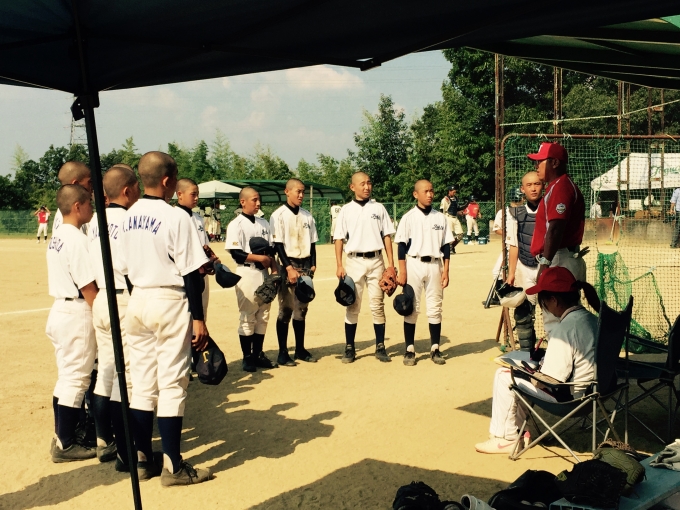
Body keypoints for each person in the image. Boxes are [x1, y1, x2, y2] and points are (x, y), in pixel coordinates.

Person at [120, 151, 212, 486]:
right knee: (172, 384)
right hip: (169, 299)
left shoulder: (128, 215)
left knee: (143, 384)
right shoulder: (176, 216)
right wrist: (199, 319)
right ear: (167, 180)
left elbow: (125, 269)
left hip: (138, 299)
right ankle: (173, 467)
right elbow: (191, 272)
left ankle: (142, 459)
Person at [474, 266, 601, 454]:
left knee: (504, 374)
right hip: (596, 392)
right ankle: (520, 431)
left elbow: (550, 380)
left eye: (544, 301)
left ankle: (506, 439)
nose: (543, 308)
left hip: (572, 400)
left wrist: (527, 372)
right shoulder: (591, 319)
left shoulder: (565, 328)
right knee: (518, 375)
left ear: (553, 300)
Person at [88, 164, 140, 467]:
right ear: (127, 190)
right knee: (128, 377)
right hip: (122, 298)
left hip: (102, 298)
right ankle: (126, 451)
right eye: (136, 187)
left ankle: (104, 440)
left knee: (106, 371)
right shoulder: (129, 220)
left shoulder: (96, 220)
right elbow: (133, 268)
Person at [46, 184, 98, 462]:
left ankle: (62, 436)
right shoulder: (77, 239)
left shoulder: (58, 235)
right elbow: (88, 287)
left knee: (67, 377)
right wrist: (103, 317)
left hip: (60, 309)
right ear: (77, 206)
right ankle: (66, 443)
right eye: (88, 203)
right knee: (77, 379)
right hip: (76, 311)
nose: (92, 207)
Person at [334, 171, 396, 363]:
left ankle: (380, 346)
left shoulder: (378, 208)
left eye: (369, 183)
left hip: (376, 260)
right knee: (352, 304)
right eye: (362, 183)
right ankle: (349, 347)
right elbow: (338, 238)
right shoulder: (346, 210)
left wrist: (391, 264)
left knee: (377, 304)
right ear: (352, 187)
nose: (367, 186)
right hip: (354, 261)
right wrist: (339, 265)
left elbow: (387, 236)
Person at [528, 142, 586, 339]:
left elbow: (556, 229)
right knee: (567, 316)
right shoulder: (557, 186)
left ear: (554, 163)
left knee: (555, 317)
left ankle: (562, 357)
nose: (536, 166)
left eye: (540, 161)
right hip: (562, 256)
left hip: (558, 258)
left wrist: (545, 262)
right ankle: (573, 355)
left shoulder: (561, 187)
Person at [395, 180, 453, 366]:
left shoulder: (440, 218)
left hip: (435, 265)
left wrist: (446, 270)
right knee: (411, 307)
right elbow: (401, 246)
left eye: (431, 191)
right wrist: (402, 272)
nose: (430, 194)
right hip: (414, 263)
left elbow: (446, 246)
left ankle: (435, 348)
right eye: (425, 191)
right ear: (416, 194)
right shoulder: (408, 217)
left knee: (435, 307)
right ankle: (409, 349)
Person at [225, 187, 279, 372]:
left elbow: (271, 251)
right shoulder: (236, 224)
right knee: (248, 315)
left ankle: (258, 354)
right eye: (254, 200)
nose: (258, 203)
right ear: (243, 202)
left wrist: (274, 271)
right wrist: (260, 258)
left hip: (264, 273)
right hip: (247, 272)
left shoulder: (264, 223)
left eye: (259, 200)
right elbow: (236, 253)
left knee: (263, 315)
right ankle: (247, 357)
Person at [270, 179, 318, 366]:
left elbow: (312, 242)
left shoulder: (307, 216)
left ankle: (300, 349)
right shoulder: (278, 215)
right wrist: (288, 267)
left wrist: (313, 264)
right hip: (288, 264)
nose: (301, 195)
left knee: (302, 308)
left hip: (305, 263)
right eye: (298, 191)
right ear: (287, 192)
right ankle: (283, 353)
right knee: (286, 308)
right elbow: (278, 244)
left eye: (303, 192)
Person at [506, 172, 544, 351]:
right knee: (523, 313)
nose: (533, 188)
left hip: (547, 267)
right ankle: (526, 354)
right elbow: (514, 244)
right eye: (529, 185)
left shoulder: (550, 209)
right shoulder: (515, 213)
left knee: (553, 313)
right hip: (524, 266)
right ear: (522, 189)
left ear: (543, 186)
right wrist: (511, 273)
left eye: (537, 184)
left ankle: (556, 355)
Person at [176, 178, 216, 322]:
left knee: (202, 315)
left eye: (197, 194)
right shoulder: (175, 216)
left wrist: (211, 260)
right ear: (180, 194)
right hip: (186, 275)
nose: (196, 198)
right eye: (193, 194)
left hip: (202, 273)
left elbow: (204, 246)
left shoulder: (198, 218)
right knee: (186, 318)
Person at [488, 188, 523, 306]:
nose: (522, 199)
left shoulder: (525, 210)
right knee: (497, 271)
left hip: (523, 247)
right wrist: (510, 234)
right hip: (509, 247)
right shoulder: (504, 212)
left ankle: (507, 296)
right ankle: (500, 297)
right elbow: (497, 229)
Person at [51, 161, 93, 234]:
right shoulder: (73, 216)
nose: (92, 186)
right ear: (76, 184)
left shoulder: (65, 212)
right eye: (89, 182)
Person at [439, 185, 465, 254]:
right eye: (453, 192)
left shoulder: (455, 198)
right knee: (450, 234)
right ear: (449, 191)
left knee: (460, 235)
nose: (454, 193)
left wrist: (465, 205)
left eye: (455, 192)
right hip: (448, 217)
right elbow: (441, 210)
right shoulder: (445, 199)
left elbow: (457, 208)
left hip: (455, 217)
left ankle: (452, 246)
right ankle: (449, 248)